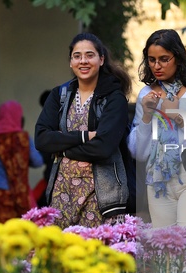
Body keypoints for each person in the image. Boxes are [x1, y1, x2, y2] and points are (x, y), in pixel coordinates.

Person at [127, 29, 186, 228]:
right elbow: (139, 151)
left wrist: (178, 116)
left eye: (164, 59)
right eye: (151, 60)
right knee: (165, 250)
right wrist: (146, 116)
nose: (156, 66)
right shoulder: (146, 94)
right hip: (158, 180)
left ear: (178, 57)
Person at [34, 33, 131, 229]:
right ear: (71, 62)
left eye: (89, 55)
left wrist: (61, 148)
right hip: (61, 193)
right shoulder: (59, 96)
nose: (83, 61)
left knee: (96, 254)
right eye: (77, 56)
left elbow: (103, 147)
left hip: (101, 197)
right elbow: (41, 139)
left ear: (101, 59)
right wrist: (84, 136)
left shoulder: (114, 99)